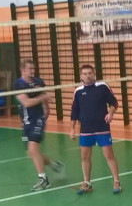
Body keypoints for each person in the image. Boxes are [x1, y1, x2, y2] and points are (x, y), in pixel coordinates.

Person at [69, 64, 122, 195]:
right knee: (84, 157)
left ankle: (116, 181)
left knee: (108, 155)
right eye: (85, 74)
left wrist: (111, 113)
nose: (87, 76)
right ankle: (87, 183)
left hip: (102, 128)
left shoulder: (102, 87)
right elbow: (74, 111)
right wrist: (72, 129)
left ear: (94, 74)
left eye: (90, 73)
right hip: (85, 129)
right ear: (81, 76)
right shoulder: (78, 91)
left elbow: (114, 102)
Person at [14, 59, 64, 191]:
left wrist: (47, 108)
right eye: (29, 69)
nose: (32, 71)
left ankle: (43, 179)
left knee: (33, 148)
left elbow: (44, 95)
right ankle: (55, 165)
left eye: (33, 68)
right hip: (26, 121)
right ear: (22, 70)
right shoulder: (18, 84)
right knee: (31, 153)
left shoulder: (39, 82)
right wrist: (43, 98)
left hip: (37, 119)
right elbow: (27, 103)